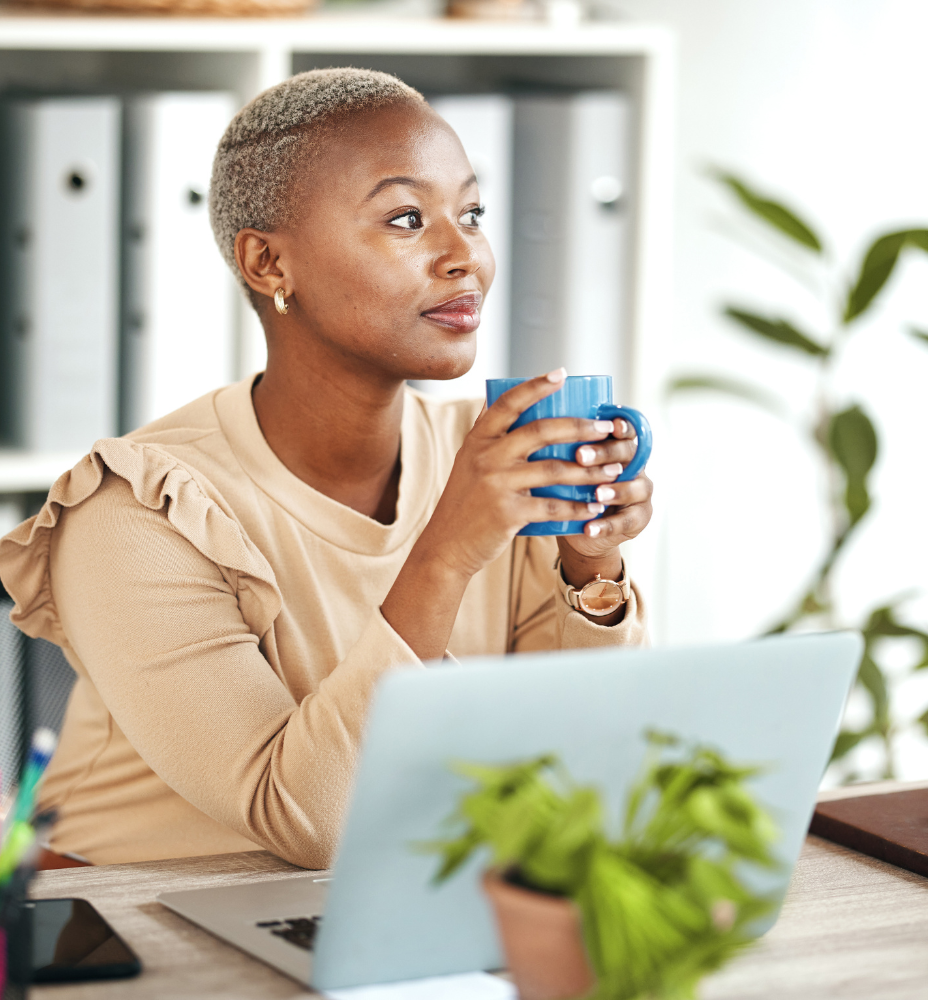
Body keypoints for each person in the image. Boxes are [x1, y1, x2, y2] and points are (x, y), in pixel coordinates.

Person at [0, 68, 653, 870]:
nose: (467, 257)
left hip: (401, 901)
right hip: (143, 934)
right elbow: (308, 821)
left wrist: (589, 566)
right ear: (269, 265)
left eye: (472, 214)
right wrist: (448, 551)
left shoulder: (482, 457)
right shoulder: (137, 514)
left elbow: (582, 764)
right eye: (409, 218)